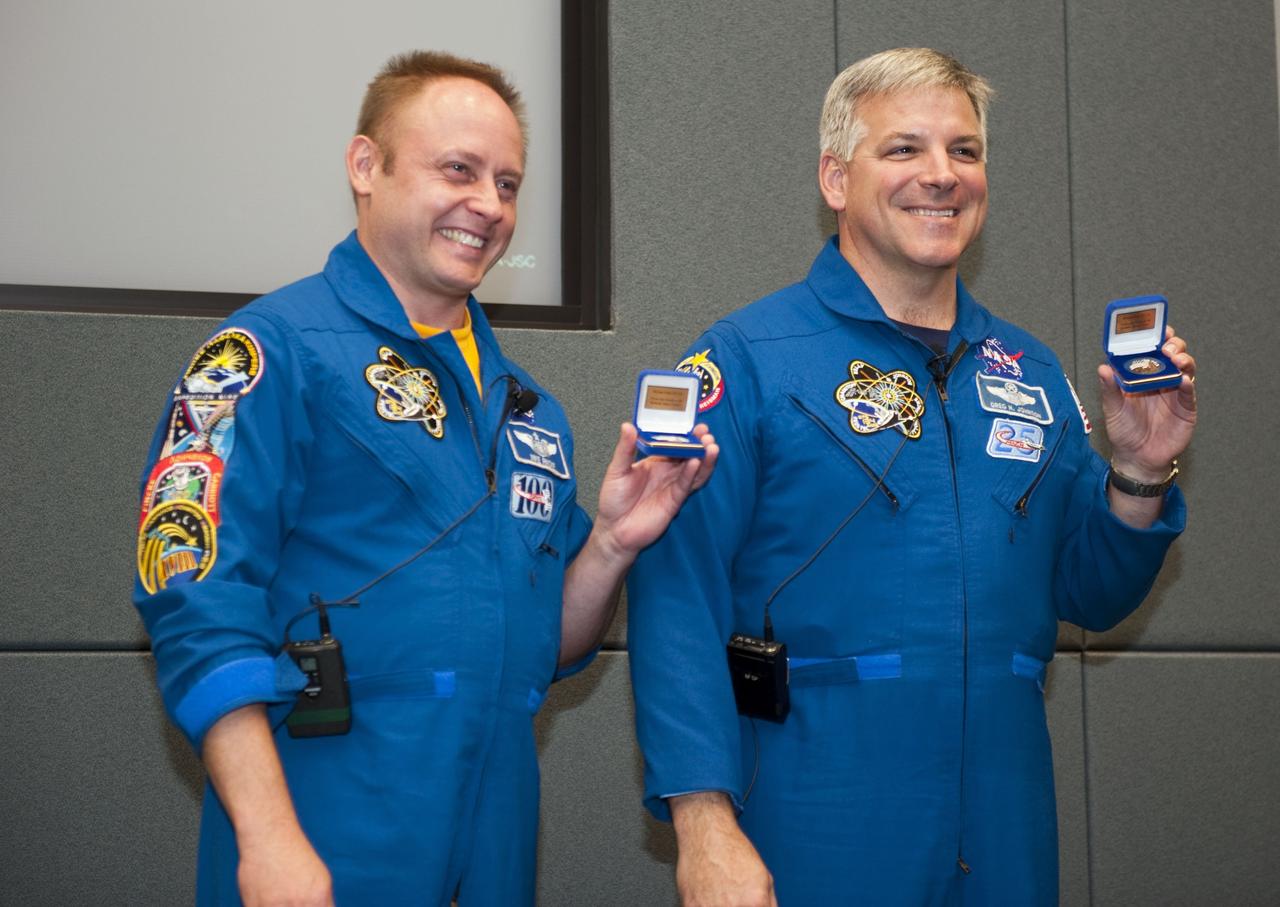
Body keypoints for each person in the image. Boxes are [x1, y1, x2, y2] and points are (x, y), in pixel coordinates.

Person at [133, 51, 716, 906]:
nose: (488, 204)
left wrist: (613, 546)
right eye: (459, 170)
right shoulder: (264, 355)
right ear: (366, 167)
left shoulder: (530, 414)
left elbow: (546, 644)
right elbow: (189, 588)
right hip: (326, 821)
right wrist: (268, 839)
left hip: (495, 833)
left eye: (509, 182)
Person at [627, 47, 1195, 906]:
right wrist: (703, 826)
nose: (941, 176)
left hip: (1004, 827)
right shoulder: (744, 361)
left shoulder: (1031, 373)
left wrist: (1141, 470)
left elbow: (1092, 589)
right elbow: (677, 599)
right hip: (811, 820)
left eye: (964, 152)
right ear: (834, 178)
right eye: (904, 149)